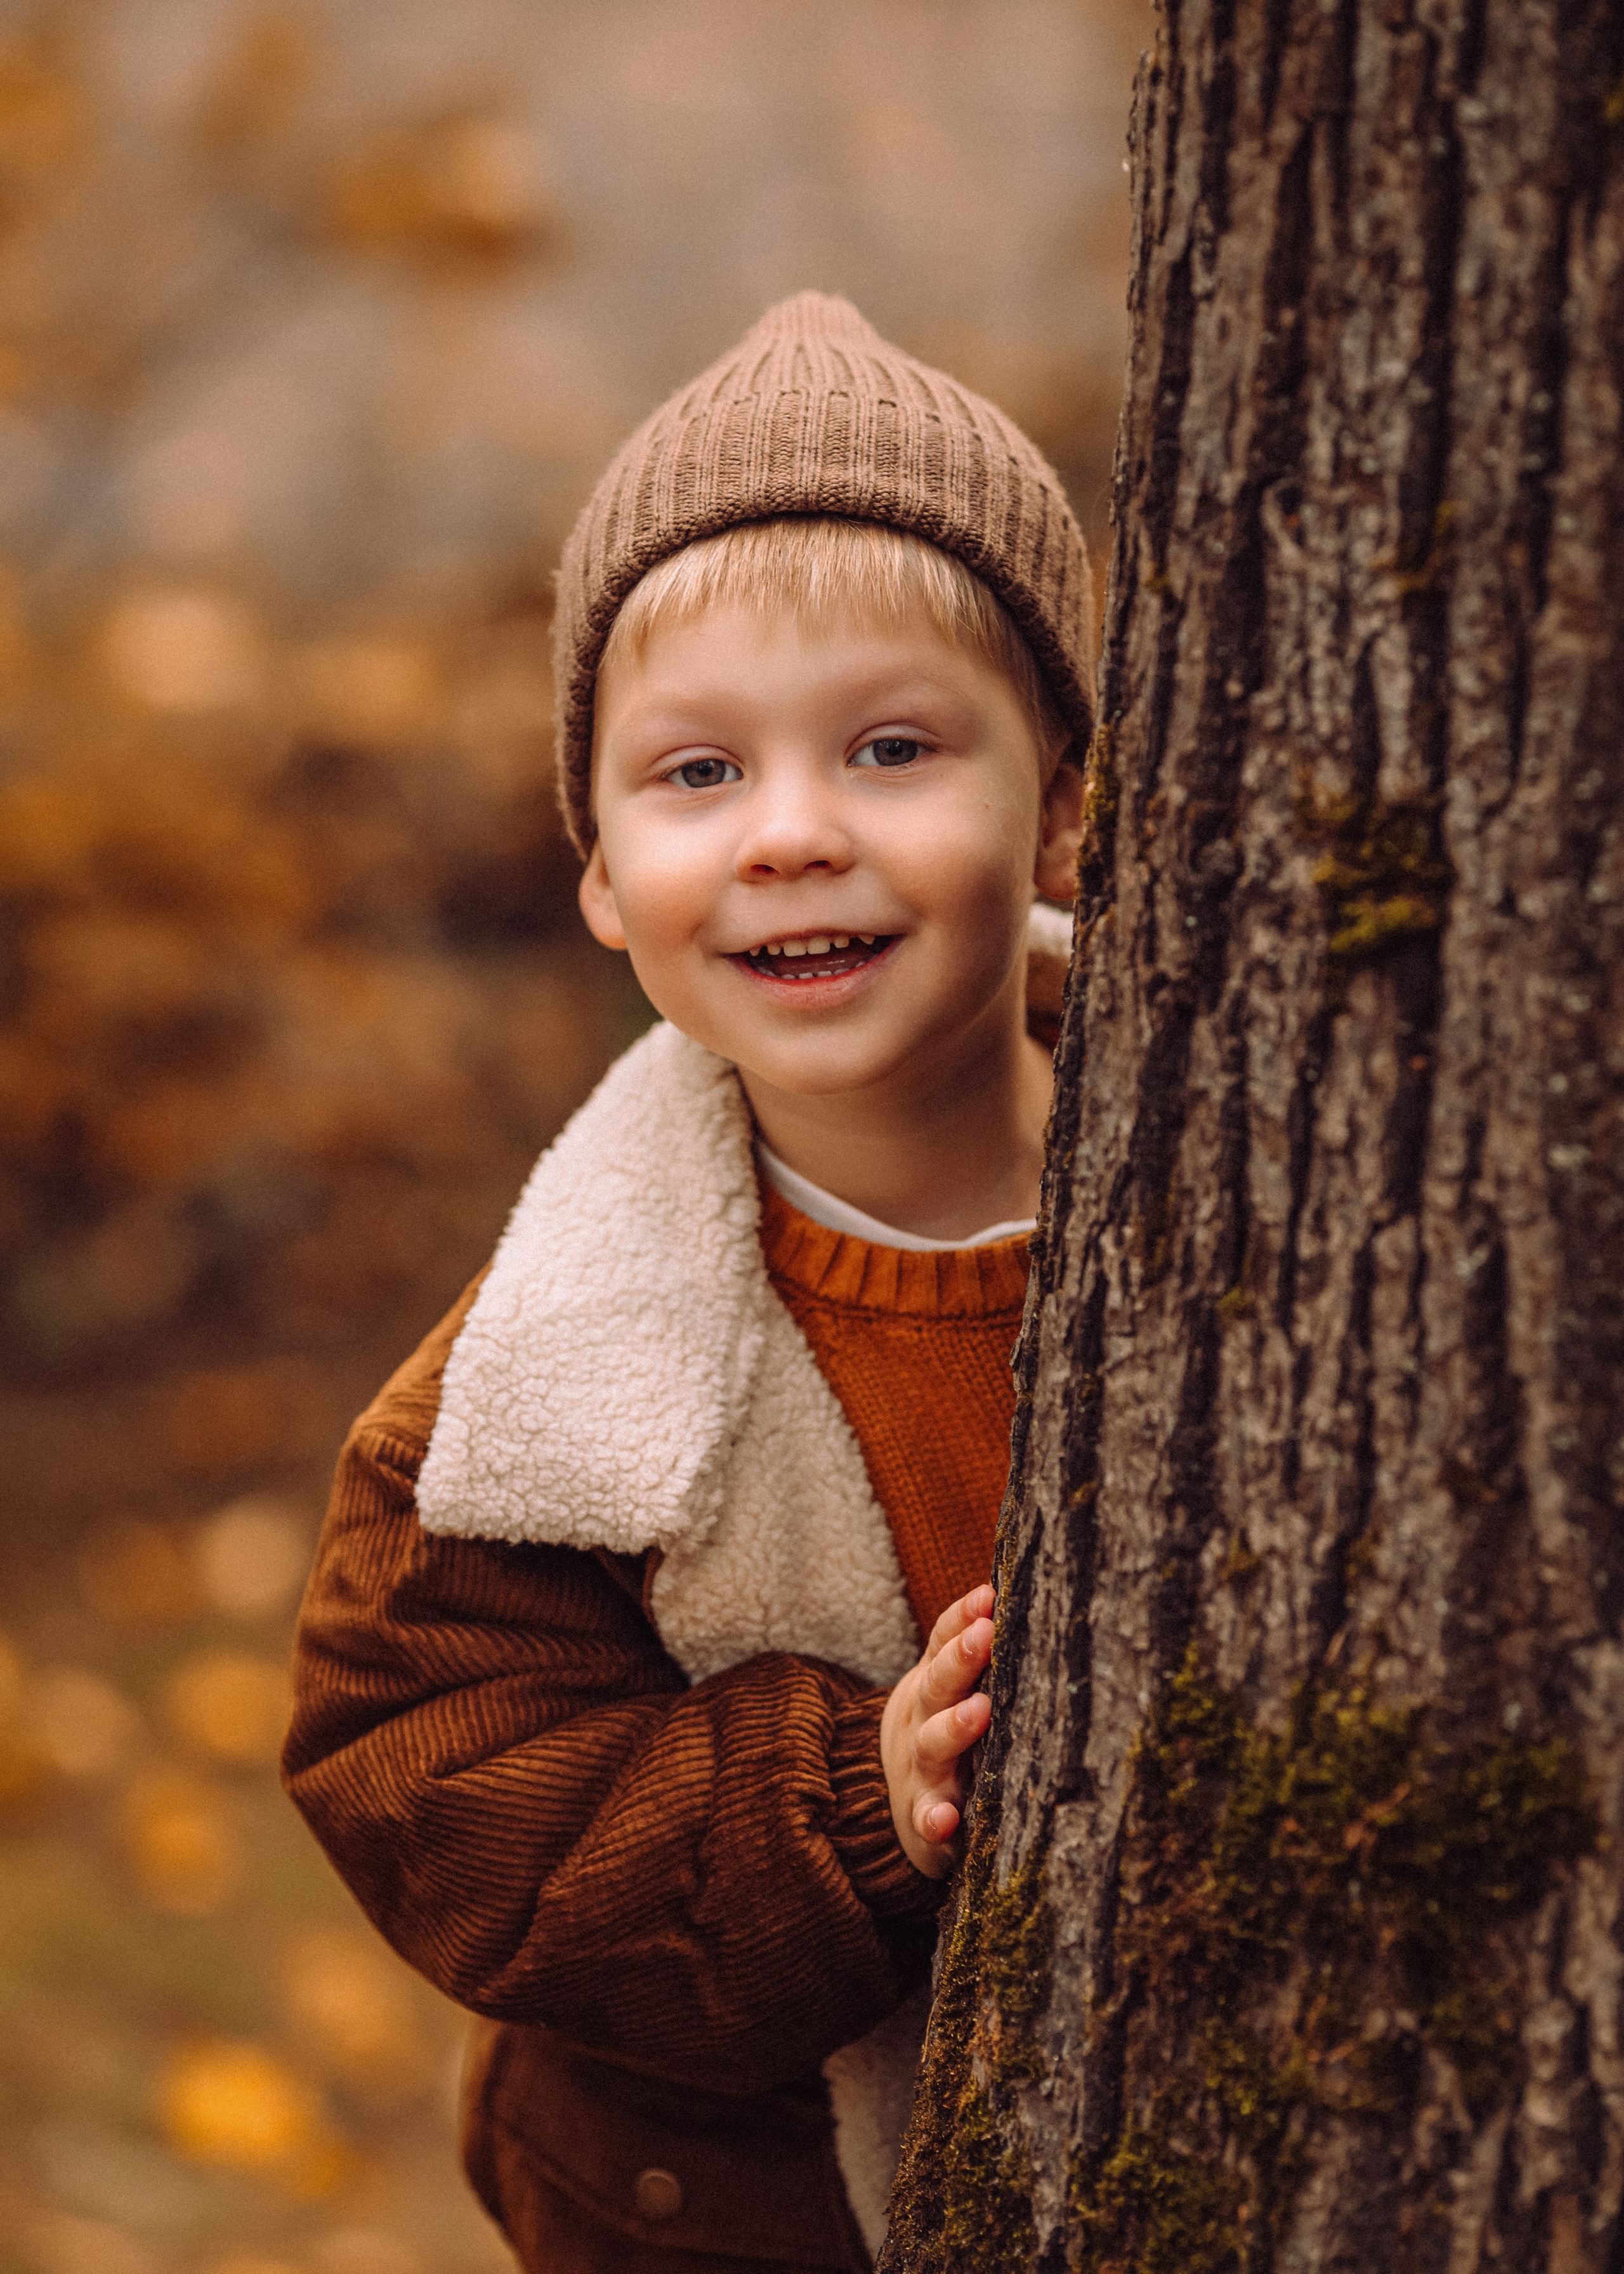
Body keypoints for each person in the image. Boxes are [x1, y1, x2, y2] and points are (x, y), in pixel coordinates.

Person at [282, 290, 1093, 2273]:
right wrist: (837, 1796)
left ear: (1061, 798)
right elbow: (433, 1768)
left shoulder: (1228, 1196)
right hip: (730, 2213)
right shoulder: (527, 1393)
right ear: (595, 867)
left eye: (892, 748)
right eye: (697, 775)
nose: (795, 834)